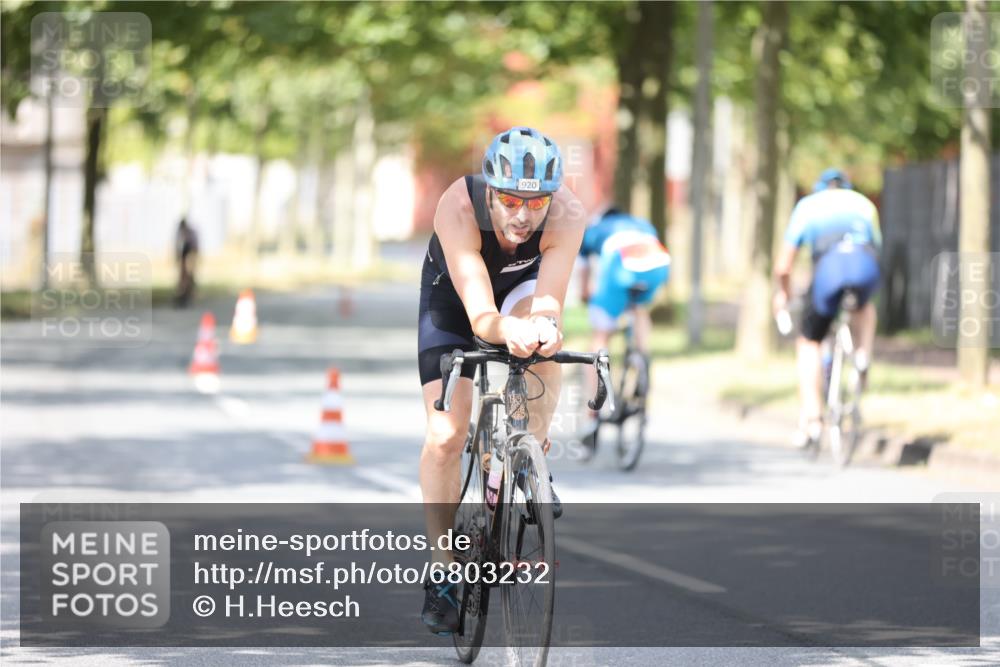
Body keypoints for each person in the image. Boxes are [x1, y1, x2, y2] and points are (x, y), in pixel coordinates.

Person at [417, 127, 585, 635]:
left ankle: (529, 456)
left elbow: (548, 302)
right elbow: (482, 316)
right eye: (510, 200)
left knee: (543, 341)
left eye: (536, 203)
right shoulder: (458, 206)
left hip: (520, 290)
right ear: (490, 190)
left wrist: (543, 328)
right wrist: (505, 329)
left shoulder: (568, 214)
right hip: (456, 299)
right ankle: (443, 570)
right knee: (446, 435)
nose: (523, 215)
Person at [772, 168, 882, 447]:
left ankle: (813, 418)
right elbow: (877, 247)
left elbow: (783, 266)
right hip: (864, 265)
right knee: (864, 307)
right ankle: (863, 354)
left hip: (829, 269)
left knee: (809, 341)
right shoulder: (864, 204)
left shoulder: (808, 205)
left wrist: (784, 294)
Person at [577, 206, 671, 430]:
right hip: (657, 262)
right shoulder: (642, 223)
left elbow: (583, 269)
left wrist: (585, 294)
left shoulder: (595, 228)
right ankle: (642, 357)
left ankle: (592, 411)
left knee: (600, 335)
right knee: (638, 308)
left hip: (619, 263)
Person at [174, 217, 199, 308]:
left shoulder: (191, 233)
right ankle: (182, 295)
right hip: (183, 254)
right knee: (183, 276)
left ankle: (190, 295)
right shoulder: (180, 233)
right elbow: (177, 247)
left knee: (190, 276)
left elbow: (194, 247)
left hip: (191, 252)